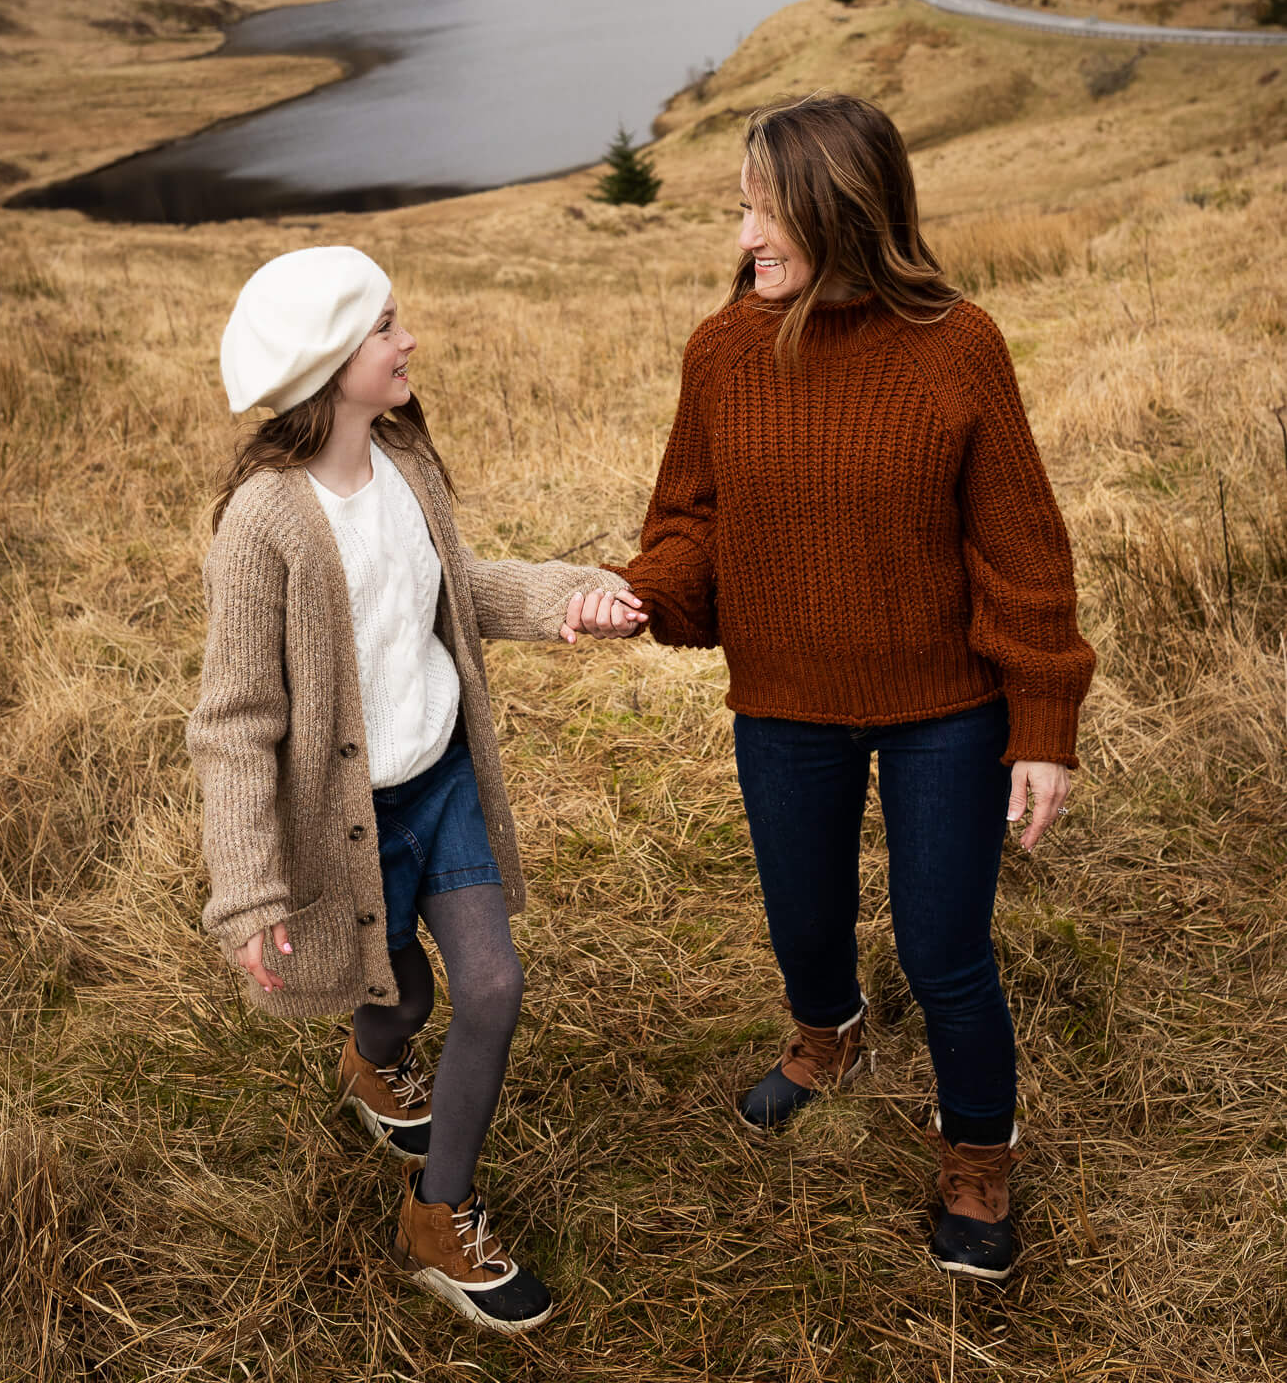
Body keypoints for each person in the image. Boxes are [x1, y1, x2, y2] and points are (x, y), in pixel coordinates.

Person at [622, 94, 1094, 1281]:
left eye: (762, 212)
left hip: (947, 709)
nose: (744, 237)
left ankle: (977, 1156)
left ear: (839, 209)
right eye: (740, 210)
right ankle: (825, 1034)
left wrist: (1043, 722)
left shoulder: (956, 345)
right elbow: (690, 521)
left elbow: (1023, 551)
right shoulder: (723, 351)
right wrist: (642, 592)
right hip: (784, 703)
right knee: (802, 916)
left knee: (945, 950)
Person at [187, 246, 643, 1336]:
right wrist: (247, 891)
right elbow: (234, 720)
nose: (409, 341)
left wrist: (569, 595)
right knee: (402, 999)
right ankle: (373, 1061)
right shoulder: (263, 523)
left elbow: (458, 586)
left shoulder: (404, 461)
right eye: (386, 326)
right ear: (328, 360)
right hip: (346, 822)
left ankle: (437, 1215)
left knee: (491, 985)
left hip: (441, 781)